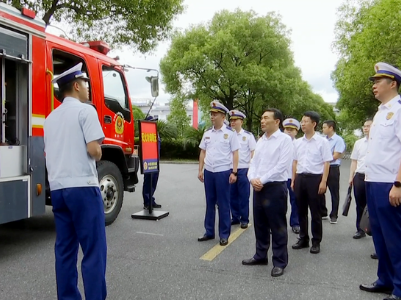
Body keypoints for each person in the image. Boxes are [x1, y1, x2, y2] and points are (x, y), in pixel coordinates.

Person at [44, 63, 107, 300]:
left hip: (59, 189)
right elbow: (94, 149)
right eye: (87, 84)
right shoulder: (86, 111)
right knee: (93, 251)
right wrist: (99, 152)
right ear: (77, 85)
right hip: (83, 188)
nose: (89, 89)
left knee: (65, 250)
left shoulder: (50, 118)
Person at [359, 62, 401, 300]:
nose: (374, 85)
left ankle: (400, 287)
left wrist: (398, 184)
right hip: (373, 181)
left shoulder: (399, 109)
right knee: (380, 236)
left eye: (378, 81)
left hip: (390, 183)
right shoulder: (381, 112)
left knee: (394, 237)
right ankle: (385, 280)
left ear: (392, 83)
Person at [242, 108, 293, 277]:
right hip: (258, 187)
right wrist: (252, 178)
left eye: (266, 118)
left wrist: (261, 180)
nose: (262, 121)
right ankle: (260, 255)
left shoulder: (285, 140)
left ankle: (279, 262)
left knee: (277, 226)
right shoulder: (261, 140)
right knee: (260, 224)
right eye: (262, 118)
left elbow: (281, 166)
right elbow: (254, 162)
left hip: (274, 188)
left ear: (277, 121)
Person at [198, 101, 240, 246]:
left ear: (222, 116)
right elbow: (203, 151)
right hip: (209, 171)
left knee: (223, 203)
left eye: (215, 114)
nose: (212, 116)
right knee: (210, 202)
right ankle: (209, 231)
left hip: (223, 172)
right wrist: (200, 170)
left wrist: (234, 172)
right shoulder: (207, 133)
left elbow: (235, 153)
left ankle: (224, 234)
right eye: (211, 114)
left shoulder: (230, 134)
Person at [291, 111, 332, 254]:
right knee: (300, 211)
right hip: (300, 178)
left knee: (315, 212)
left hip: (315, 179)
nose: (302, 124)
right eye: (301, 121)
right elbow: (295, 162)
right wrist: (293, 179)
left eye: (305, 121)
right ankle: (303, 238)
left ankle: (316, 241)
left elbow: (326, 163)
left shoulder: (322, 142)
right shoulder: (297, 142)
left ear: (314, 124)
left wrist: (324, 182)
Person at [228, 110, 256, 229]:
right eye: (231, 120)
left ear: (241, 121)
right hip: (230, 168)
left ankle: (244, 218)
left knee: (244, 195)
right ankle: (235, 217)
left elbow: (253, 152)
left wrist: (251, 168)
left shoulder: (248, 136)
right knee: (232, 195)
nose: (233, 122)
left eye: (235, 120)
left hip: (244, 169)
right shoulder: (228, 134)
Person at [348, 118, 373, 239]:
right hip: (359, 176)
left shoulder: (379, 142)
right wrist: (351, 176)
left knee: (374, 205)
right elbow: (354, 161)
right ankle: (360, 229)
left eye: (368, 126)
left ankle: (374, 231)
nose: (365, 128)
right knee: (360, 205)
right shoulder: (359, 143)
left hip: (373, 178)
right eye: (364, 126)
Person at [321, 120, 346, 224]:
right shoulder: (323, 140)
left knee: (334, 192)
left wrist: (324, 160)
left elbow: (336, 155)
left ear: (331, 128)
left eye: (324, 127)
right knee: (320, 190)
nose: (323, 129)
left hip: (333, 168)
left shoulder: (338, 140)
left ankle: (334, 214)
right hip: (322, 168)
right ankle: (323, 212)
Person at [283, 118, 301, 234]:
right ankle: (279, 224)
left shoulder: (299, 144)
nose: (289, 132)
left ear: (296, 132)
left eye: (292, 130)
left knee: (295, 200)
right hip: (281, 177)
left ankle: (295, 223)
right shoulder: (279, 142)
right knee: (280, 201)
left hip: (294, 176)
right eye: (287, 129)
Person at [142, 115, 162, 209]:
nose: (155, 123)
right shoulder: (146, 133)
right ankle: (147, 202)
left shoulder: (156, 132)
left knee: (154, 180)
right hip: (149, 161)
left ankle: (151, 200)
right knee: (148, 181)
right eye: (153, 121)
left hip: (155, 161)